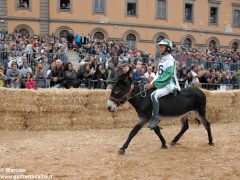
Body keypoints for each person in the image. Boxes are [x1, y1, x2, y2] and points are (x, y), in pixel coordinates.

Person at [146, 39, 181, 129]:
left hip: (170, 84)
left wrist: (154, 84)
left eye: (162, 47)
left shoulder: (170, 60)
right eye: (160, 47)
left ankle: (156, 118)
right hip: (162, 83)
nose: (160, 48)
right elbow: (158, 74)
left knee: (154, 95)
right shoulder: (162, 60)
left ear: (168, 48)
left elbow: (167, 75)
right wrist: (152, 83)